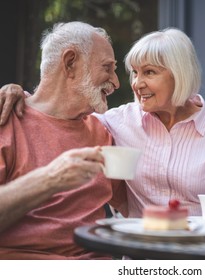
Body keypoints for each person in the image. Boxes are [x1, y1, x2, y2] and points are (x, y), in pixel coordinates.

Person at [0, 28, 205, 217]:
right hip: (137, 256)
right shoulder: (115, 123)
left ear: (180, 74)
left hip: (201, 257)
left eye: (149, 72)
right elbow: (54, 113)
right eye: (135, 72)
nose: (135, 83)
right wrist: (19, 94)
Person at [0, 21, 128, 259]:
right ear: (70, 63)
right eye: (107, 68)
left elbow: (132, 206)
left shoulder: (103, 130)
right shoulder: (6, 121)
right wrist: (50, 180)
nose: (117, 82)